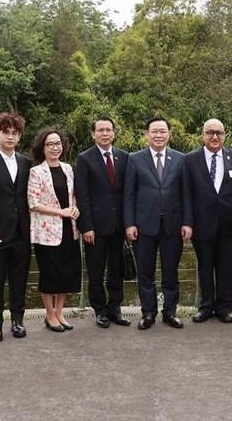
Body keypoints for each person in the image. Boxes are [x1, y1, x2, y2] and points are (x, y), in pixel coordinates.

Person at [124, 117, 193, 330]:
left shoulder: (181, 159)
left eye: (162, 131)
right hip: (143, 225)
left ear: (169, 134)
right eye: (154, 131)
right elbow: (129, 195)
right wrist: (129, 223)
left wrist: (188, 222)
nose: (158, 135)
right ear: (147, 134)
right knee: (145, 271)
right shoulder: (135, 159)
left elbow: (186, 194)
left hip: (173, 224)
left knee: (170, 271)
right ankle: (148, 312)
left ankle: (170, 312)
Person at [182, 119, 232, 324]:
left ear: (225, 135)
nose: (215, 137)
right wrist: (188, 223)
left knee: (228, 267)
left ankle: (224, 308)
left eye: (219, 132)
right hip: (202, 224)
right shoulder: (190, 159)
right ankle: (205, 306)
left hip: (230, 224)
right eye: (210, 132)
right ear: (202, 135)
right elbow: (186, 194)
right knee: (205, 266)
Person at [75, 116, 131, 328]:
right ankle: (100, 310)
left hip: (118, 226)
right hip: (95, 228)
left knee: (116, 270)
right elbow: (82, 195)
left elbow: (128, 193)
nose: (105, 133)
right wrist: (86, 226)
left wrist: (128, 224)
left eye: (108, 130)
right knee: (96, 271)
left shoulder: (124, 157)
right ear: (93, 134)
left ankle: (115, 308)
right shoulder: (85, 158)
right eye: (101, 130)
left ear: (114, 133)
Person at [0, 112, 33, 342]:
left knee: (19, 280)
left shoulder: (25, 162)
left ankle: (17, 320)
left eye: (14, 133)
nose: (10, 137)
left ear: (19, 137)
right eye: (6, 133)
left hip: (22, 232)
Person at [27, 128, 81, 332]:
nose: (55, 147)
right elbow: (33, 203)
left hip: (69, 228)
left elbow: (73, 195)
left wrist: (74, 208)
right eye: (50, 144)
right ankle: (49, 315)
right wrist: (61, 212)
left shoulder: (68, 168)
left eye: (58, 143)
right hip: (47, 231)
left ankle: (60, 312)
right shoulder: (36, 171)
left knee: (66, 272)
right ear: (42, 147)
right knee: (50, 273)